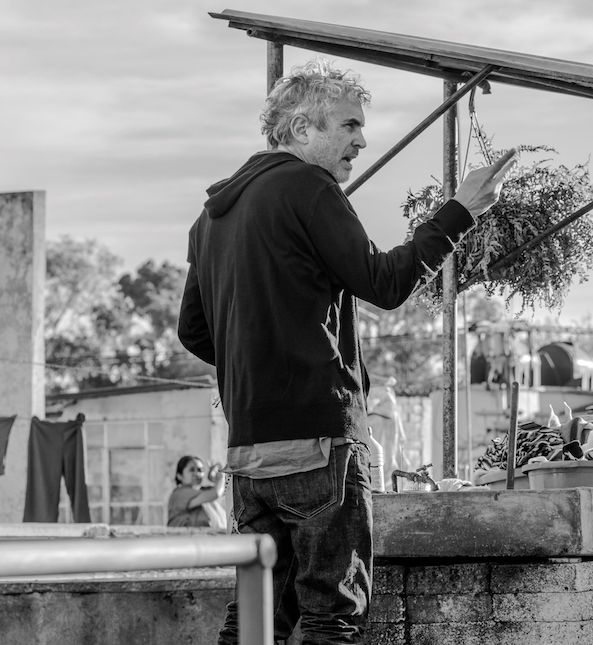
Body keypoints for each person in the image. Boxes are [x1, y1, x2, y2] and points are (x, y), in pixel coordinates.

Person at [177, 59, 516, 644]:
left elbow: (194, 332)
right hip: (318, 445)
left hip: (249, 456)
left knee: (257, 618)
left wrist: (256, 365)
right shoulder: (308, 187)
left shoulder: (211, 217)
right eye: (349, 125)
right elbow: (384, 282)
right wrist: (460, 211)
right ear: (301, 129)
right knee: (333, 618)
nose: (361, 139)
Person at [167, 455, 227, 529]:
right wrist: (220, 478)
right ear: (179, 476)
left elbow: (225, 491)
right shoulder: (179, 494)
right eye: (192, 470)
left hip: (212, 538)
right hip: (186, 539)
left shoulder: (204, 491)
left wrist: (215, 475)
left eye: (200, 470)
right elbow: (216, 493)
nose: (197, 474)